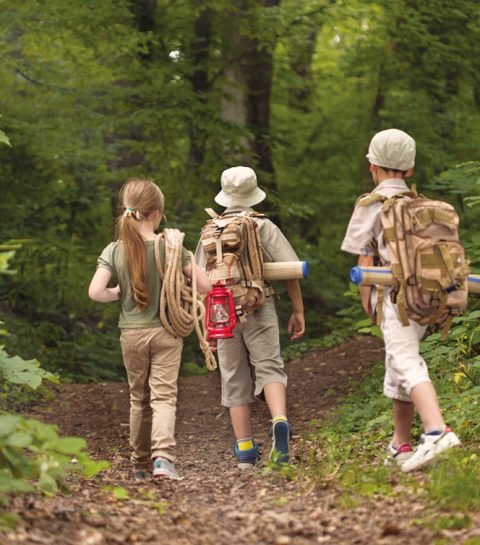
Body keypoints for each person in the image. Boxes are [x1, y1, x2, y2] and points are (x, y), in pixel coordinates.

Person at [341, 128, 461, 472]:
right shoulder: (420, 205)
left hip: (394, 297)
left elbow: (364, 257)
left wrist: (369, 302)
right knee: (398, 367)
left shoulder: (372, 204)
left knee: (405, 360)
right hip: (428, 297)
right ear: (409, 170)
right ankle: (400, 445)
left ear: (372, 166)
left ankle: (436, 431)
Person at [88, 178, 211, 480]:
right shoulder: (172, 248)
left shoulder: (115, 249)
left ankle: (140, 464)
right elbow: (205, 285)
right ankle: (163, 460)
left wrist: (119, 292)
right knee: (163, 397)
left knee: (137, 398)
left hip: (131, 333)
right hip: (167, 331)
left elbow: (95, 292)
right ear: (157, 213)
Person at [196, 166, 305, 469]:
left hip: (222, 311)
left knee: (233, 376)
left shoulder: (211, 230)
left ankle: (245, 451)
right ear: (254, 193)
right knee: (269, 367)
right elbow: (290, 270)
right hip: (260, 303)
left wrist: (208, 324)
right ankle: (279, 420)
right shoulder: (262, 225)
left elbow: (200, 282)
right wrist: (298, 309)